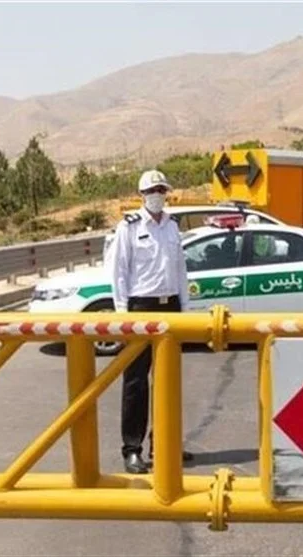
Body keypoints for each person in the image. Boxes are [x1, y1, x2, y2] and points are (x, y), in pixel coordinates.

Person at [109, 169, 193, 474]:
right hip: (140, 307)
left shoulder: (172, 227)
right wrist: (122, 314)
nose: (158, 195)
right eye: (152, 190)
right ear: (142, 195)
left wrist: (185, 307)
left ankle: (165, 443)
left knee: (168, 379)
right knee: (135, 383)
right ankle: (133, 449)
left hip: (169, 305)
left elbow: (181, 270)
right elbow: (119, 271)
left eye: (162, 189)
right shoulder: (128, 228)